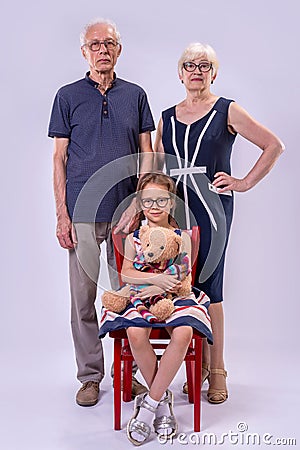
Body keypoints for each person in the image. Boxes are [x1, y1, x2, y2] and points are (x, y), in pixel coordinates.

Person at [154, 43, 284, 404]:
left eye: (204, 65)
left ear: (214, 72)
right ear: (179, 73)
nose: (196, 70)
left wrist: (242, 182)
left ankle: (217, 369)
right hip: (174, 211)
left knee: (211, 284)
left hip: (212, 209)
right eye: (189, 65)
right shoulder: (165, 116)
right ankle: (188, 366)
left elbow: (273, 145)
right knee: (180, 284)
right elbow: (153, 169)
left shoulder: (228, 109)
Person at [48, 18, 155, 406]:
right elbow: (58, 158)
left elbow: (148, 154)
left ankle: (129, 376)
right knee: (83, 300)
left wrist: (140, 206)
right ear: (84, 52)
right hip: (81, 214)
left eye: (109, 43)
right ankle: (91, 376)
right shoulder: (67, 96)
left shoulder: (136, 95)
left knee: (128, 297)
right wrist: (61, 214)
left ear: (119, 50)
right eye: (95, 44)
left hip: (126, 215)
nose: (102, 49)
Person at [99, 172, 212, 445]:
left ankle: (149, 406)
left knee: (184, 331)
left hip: (175, 295)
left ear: (172, 202)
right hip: (141, 295)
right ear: (140, 202)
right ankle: (162, 403)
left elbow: (183, 272)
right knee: (136, 334)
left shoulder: (181, 236)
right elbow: (127, 273)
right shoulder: (134, 237)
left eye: (162, 199)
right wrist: (153, 279)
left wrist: (162, 285)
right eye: (148, 200)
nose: (155, 206)